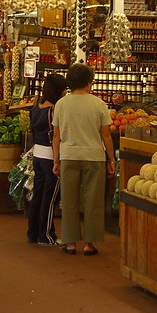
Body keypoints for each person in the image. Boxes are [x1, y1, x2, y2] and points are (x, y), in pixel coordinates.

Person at [51, 63, 115, 256]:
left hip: (69, 156)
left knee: (69, 200)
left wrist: (56, 160)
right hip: (94, 157)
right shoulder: (99, 104)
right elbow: (106, 135)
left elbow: (56, 135)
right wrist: (111, 159)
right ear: (89, 82)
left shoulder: (61, 104)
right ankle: (89, 243)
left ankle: (70, 243)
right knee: (92, 200)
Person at [28, 73, 68, 246]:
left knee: (38, 195)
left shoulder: (36, 107)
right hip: (50, 157)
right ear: (58, 91)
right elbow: (56, 136)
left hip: (37, 155)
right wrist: (57, 160)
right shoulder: (54, 110)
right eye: (64, 90)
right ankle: (46, 235)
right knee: (50, 199)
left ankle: (33, 232)